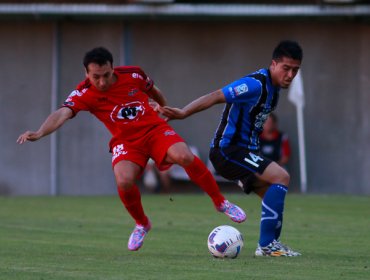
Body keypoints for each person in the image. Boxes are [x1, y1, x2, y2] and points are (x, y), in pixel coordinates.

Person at [17, 47, 246, 251]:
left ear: (112, 68)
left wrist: (164, 109)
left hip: (155, 130)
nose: (102, 82)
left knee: (184, 155)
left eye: (106, 75)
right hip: (126, 142)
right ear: (86, 74)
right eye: (96, 77)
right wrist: (39, 133)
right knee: (124, 180)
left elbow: (154, 90)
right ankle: (142, 224)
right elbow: (61, 114)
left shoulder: (133, 74)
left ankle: (220, 202)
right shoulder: (84, 93)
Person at [159, 40, 303, 257]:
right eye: (286, 68)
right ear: (273, 64)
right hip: (227, 151)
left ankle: (271, 244)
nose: (290, 74)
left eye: (295, 70)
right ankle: (267, 246)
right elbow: (217, 95)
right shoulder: (255, 84)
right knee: (281, 176)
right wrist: (183, 112)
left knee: (272, 195)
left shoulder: (274, 91)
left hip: (244, 152)